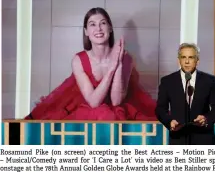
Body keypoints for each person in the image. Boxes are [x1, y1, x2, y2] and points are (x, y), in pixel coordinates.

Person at [25, 7, 157, 121]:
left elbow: (116, 101)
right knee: (102, 115)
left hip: (117, 110)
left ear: (110, 28)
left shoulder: (126, 58)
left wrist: (118, 63)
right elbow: (93, 102)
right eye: (92, 24)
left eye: (103, 23)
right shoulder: (78, 60)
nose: (98, 28)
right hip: (85, 106)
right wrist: (111, 69)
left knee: (111, 116)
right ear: (86, 31)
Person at [155, 43, 215, 145]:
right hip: (178, 140)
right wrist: (169, 122)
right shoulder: (167, 81)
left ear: (197, 60)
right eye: (183, 57)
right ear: (178, 60)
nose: (187, 61)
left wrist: (206, 119)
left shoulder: (209, 81)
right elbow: (160, 109)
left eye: (191, 57)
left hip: (204, 140)